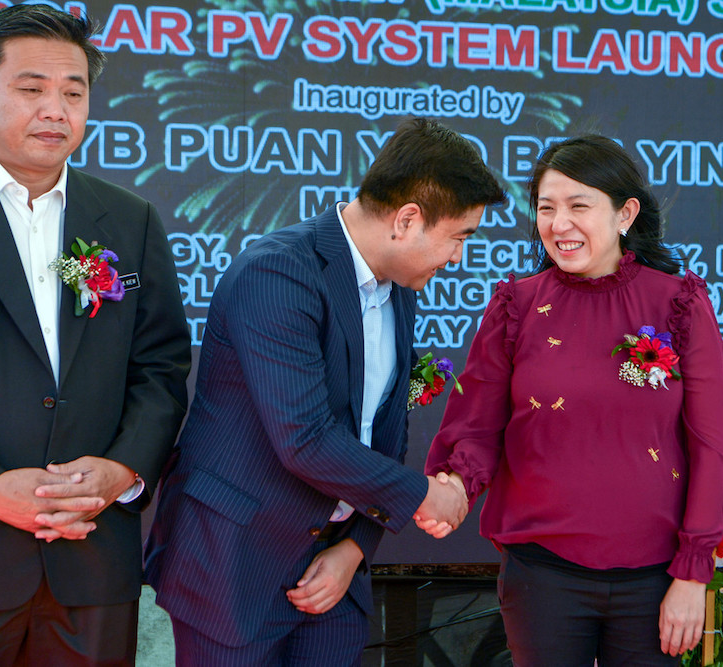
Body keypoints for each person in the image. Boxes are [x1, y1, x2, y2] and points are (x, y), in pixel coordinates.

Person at [144, 117, 506, 665]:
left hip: (335, 573)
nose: (457, 259)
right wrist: (424, 495)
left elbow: (384, 429)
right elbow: (304, 440)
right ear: (408, 220)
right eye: (458, 238)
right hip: (236, 565)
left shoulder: (400, 288)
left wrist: (356, 547)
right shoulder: (277, 274)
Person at [0, 5, 191, 665]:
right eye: (31, 88)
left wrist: (118, 471)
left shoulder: (128, 220)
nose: (55, 108)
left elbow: (160, 367)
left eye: (73, 92)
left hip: (91, 559)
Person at [425, 135, 723, 665]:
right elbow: (476, 425)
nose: (558, 224)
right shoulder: (516, 305)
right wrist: (453, 485)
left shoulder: (678, 302)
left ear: (625, 214)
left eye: (578, 206)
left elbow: (709, 447)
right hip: (543, 575)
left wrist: (691, 572)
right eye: (547, 208)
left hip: (655, 579)